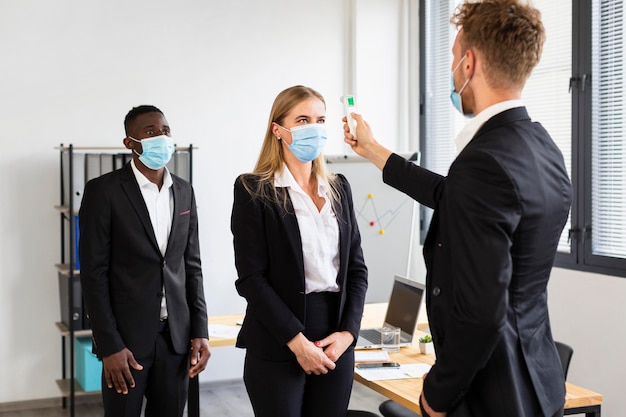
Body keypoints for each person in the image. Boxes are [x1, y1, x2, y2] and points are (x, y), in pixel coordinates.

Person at [343, 1, 572, 416]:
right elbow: (453, 197)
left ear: (469, 63)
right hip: (539, 383)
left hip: (489, 393)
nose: (450, 67)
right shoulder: (543, 149)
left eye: (451, 56)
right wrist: (373, 150)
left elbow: (482, 313)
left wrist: (436, 394)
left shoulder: (482, 162)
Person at [230, 85, 368, 417]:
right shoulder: (253, 189)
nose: (314, 128)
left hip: (336, 336)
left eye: (320, 119)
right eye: (302, 119)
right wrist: (297, 341)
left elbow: (357, 270)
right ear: (278, 130)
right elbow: (251, 279)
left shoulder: (339, 187)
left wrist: (349, 333)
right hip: (280, 337)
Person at [79, 105, 211, 417]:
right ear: (130, 142)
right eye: (150, 131)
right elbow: (93, 274)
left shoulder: (184, 190)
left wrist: (200, 330)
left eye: (165, 130)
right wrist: (109, 345)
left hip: (175, 339)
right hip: (125, 342)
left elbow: (191, 267)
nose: (161, 137)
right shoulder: (104, 191)